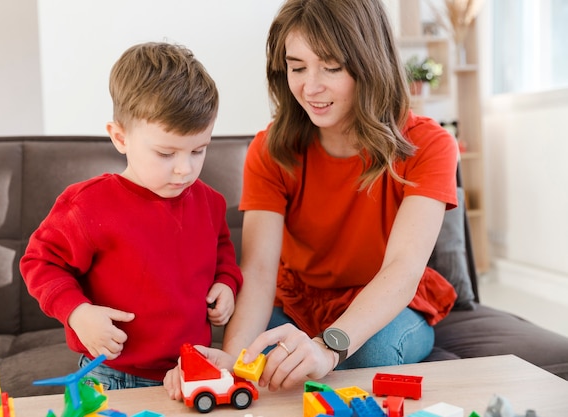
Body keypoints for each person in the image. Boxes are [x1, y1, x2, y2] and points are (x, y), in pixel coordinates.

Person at [164, 0, 459, 399]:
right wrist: (234, 360)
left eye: (332, 67)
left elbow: (403, 269)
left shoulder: (429, 144)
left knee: (370, 352)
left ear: (370, 64)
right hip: (298, 300)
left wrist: (328, 346)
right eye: (297, 67)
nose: (310, 87)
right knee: (254, 352)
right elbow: (260, 268)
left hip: (384, 300)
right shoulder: (269, 150)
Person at [20, 42, 243, 389]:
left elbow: (223, 254)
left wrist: (226, 284)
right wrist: (77, 313)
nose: (184, 170)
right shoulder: (87, 205)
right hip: (109, 374)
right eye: (166, 153)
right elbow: (40, 262)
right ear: (120, 137)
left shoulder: (210, 202)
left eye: (199, 150)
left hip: (189, 369)